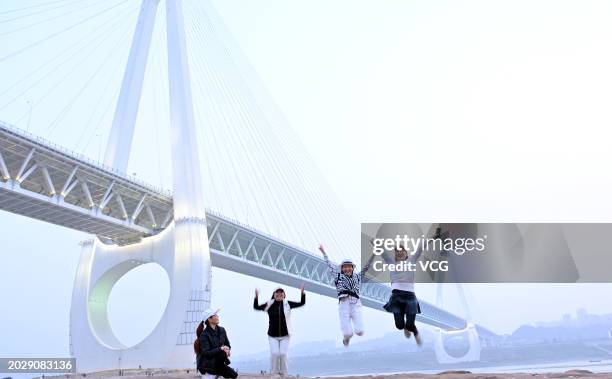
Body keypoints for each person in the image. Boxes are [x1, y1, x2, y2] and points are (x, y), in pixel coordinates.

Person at [318, 243, 375, 346]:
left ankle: (349, 336)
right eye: (345, 267)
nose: (347, 269)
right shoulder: (337, 276)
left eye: (349, 267)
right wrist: (324, 252)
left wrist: (374, 253)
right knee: (348, 333)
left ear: (352, 268)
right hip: (344, 304)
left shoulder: (357, 276)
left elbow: (367, 266)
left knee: (360, 331)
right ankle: (346, 339)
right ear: (342, 268)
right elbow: (329, 264)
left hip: (355, 303)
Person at [253, 284, 306, 376]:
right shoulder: (269, 304)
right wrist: (256, 297)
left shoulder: (287, 304)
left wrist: (302, 293)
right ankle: (274, 374)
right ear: (273, 294)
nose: (279, 294)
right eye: (277, 292)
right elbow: (256, 307)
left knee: (283, 354)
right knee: (274, 354)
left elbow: (301, 303)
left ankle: (284, 374)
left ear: (284, 295)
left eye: (281, 292)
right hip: (272, 336)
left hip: (285, 335)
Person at [381, 240, 426, 346]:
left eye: (402, 251)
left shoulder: (411, 261)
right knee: (399, 326)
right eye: (397, 251)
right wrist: (374, 243)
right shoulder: (391, 263)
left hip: (410, 297)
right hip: (396, 297)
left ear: (406, 254)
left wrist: (433, 237)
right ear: (395, 255)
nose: (399, 252)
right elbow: (383, 253)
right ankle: (404, 326)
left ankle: (414, 331)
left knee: (410, 325)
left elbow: (421, 247)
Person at [197, 309, 238, 379]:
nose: (217, 316)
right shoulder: (204, 335)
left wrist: (227, 349)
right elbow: (206, 353)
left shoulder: (222, 330)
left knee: (234, 375)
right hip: (208, 366)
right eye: (215, 315)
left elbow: (228, 345)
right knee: (232, 374)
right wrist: (221, 348)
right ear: (209, 319)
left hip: (219, 362)